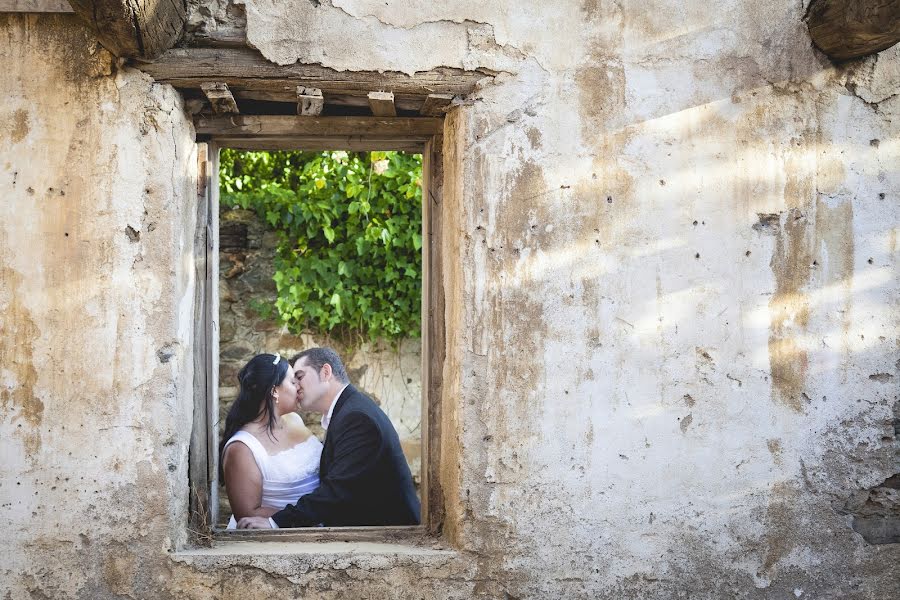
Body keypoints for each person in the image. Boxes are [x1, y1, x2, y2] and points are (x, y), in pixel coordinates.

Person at [237, 347, 420, 528]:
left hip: (393, 534)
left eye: (300, 377)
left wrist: (275, 523)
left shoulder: (356, 417)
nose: (296, 386)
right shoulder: (347, 410)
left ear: (325, 372)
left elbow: (338, 490)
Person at [219, 353, 323, 529]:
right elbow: (247, 513)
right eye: (292, 382)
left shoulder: (294, 419)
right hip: (279, 536)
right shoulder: (242, 448)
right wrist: (309, 517)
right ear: (274, 390)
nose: (299, 387)